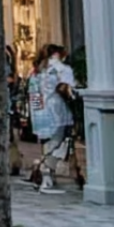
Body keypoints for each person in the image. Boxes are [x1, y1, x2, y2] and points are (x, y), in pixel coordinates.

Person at [27, 43, 78, 194]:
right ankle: (45, 170)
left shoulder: (36, 71)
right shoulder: (62, 69)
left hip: (40, 111)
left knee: (47, 142)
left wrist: (37, 111)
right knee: (59, 143)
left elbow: (33, 94)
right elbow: (69, 90)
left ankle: (46, 173)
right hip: (58, 109)